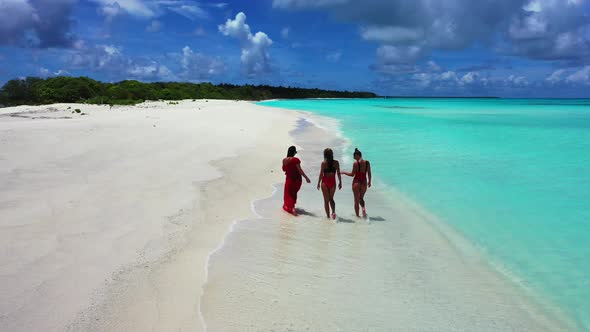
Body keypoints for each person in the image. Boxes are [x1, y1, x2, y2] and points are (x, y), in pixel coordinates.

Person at [342, 148, 372, 218]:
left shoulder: (355, 163)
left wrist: (344, 172)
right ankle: (363, 209)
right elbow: (369, 173)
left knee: (356, 201)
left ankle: (357, 217)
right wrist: (369, 181)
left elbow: (352, 174)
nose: (353, 157)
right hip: (364, 183)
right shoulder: (367, 162)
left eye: (354, 156)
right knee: (361, 198)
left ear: (357, 155)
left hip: (356, 183)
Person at [282, 146, 311, 215]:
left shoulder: (284, 160)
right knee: (293, 193)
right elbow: (300, 170)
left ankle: (291, 208)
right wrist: (306, 178)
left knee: (288, 194)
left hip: (289, 180)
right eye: (295, 152)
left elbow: (284, 170)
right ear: (293, 152)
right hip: (297, 180)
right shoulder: (296, 160)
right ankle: (292, 207)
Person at [317, 148, 342, 219]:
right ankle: (333, 213)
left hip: (325, 182)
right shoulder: (336, 163)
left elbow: (321, 174)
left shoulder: (324, 163)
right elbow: (338, 173)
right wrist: (340, 182)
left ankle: (328, 217)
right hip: (333, 182)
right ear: (332, 154)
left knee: (326, 200)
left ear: (325, 155)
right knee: (331, 199)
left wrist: (318, 183)